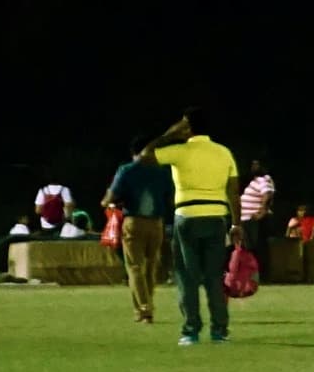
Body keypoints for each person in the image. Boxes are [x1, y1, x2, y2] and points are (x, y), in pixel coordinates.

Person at [147, 117, 243, 347]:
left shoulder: (180, 151)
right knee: (213, 277)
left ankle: (191, 330)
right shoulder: (223, 152)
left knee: (187, 276)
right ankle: (219, 331)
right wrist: (236, 224)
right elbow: (233, 191)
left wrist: (169, 134)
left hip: (187, 216)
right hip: (216, 217)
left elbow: (144, 156)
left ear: (187, 128)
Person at [105, 141, 173, 324]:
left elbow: (110, 198)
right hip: (157, 222)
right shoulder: (162, 171)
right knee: (151, 267)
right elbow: (170, 196)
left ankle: (144, 309)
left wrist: (107, 202)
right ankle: (148, 304)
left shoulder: (127, 170)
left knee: (135, 267)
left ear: (133, 152)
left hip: (134, 222)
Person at [234, 159, 278, 288]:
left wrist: (262, 212)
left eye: (257, 164)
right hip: (248, 220)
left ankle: (261, 277)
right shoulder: (256, 181)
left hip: (254, 221)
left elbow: (268, 194)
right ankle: (252, 275)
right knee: (250, 248)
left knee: (257, 248)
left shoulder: (264, 179)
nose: (254, 166)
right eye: (253, 164)